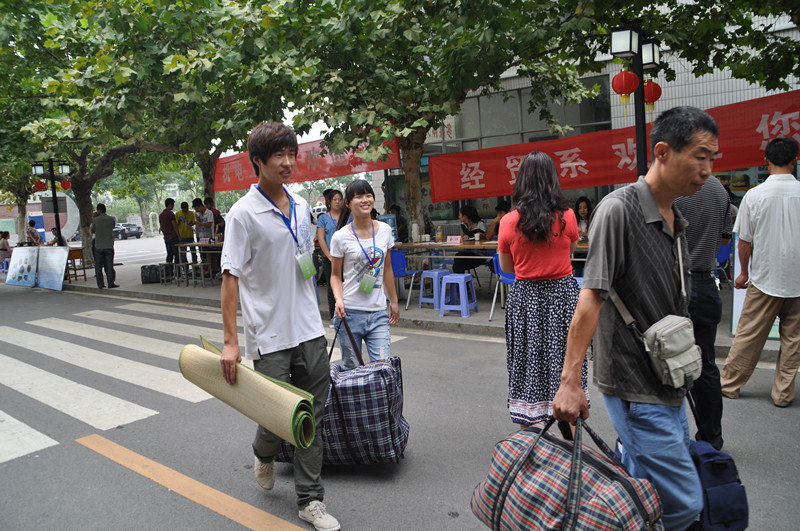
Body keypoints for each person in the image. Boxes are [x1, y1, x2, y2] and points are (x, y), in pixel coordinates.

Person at [553, 106, 720, 530]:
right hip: (634, 384)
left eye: (712, 159)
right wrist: (570, 382)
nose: (707, 169)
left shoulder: (675, 218)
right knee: (684, 503)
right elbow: (590, 299)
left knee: (644, 489)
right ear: (663, 152)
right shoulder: (619, 210)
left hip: (669, 380)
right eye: (700, 156)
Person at [218, 122, 339, 531]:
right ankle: (263, 449)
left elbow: (304, 257)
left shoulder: (302, 206)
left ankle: (310, 500)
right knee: (276, 415)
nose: (287, 163)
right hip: (268, 334)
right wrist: (230, 342)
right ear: (258, 161)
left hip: (308, 327)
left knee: (311, 416)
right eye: (278, 156)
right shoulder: (242, 214)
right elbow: (230, 278)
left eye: (292, 154)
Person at [497, 152, 584, 426]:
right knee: (566, 364)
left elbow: (507, 268)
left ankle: (531, 438)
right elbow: (571, 252)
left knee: (528, 366)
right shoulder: (568, 216)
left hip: (526, 299)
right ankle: (571, 439)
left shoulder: (508, 221)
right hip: (563, 297)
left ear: (521, 180)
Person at [720, 137, 800, 408]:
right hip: (798, 280)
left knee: (749, 336)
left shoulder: (754, 196)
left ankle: (730, 385)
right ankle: (783, 394)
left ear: (766, 161)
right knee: (793, 340)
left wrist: (743, 273)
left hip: (765, 277)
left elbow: (744, 241)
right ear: (794, 161)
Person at [675, 176, 732, 450]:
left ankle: (670, 440)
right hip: (706, 282)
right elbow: (725, 238)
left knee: (665, 363)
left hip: (674, 283)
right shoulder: (719, 190)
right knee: (706, 365)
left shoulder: (673, 187)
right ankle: (711, 439)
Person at [329, 179, 400, 370]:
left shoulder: (385, 230)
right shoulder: (340, 237)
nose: (365, 200)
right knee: (353, 371)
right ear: (348, 203)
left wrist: (393, 301)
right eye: (359, 197)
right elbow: (335, 275)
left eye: (368, 195)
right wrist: (338, 300)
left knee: (383, 369)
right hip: (349, 313)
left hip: (378, 312)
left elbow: (387, 269)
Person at [316, 189, 343, 323]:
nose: (338, 202)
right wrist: (330, 256)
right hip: (330, 258)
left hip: (345, 258)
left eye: (340, 199)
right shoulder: (323, 218)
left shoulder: (347, 216)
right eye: (335, 200)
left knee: (347, 286)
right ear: (330, 202)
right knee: (333, 288)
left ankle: (348, 315)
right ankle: (334, 317)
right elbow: (321, 239)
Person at [452, 205, 488, 274]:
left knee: (458, 262)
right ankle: (462, 279)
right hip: (467, 252)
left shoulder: (480, 224)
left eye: (460, 214)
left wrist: (480, 235)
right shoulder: (464, 226)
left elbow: (486, 237)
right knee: (458, 259)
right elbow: (461, 239)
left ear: (465, 216)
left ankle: (460, 279)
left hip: (479, 254)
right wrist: (464, 237)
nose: (459, 217)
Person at [90, 203, 118, 289]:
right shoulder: (111, 219)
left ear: (99, 210)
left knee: (98, 266)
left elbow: (92, 231)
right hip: (109, 245)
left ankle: (100, 284)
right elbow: (112, 227)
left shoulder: (95, 220)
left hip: (98, 245)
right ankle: (110, 282)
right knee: (109, 265)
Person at [158, 198, 180, 264]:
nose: (173, 206)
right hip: (173, 236)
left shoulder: (161, 215)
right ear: (170, 205)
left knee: (169, 254)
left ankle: (169, 269)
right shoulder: (170, 213)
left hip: (166, 237)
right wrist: (179, 236)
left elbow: (162, 226)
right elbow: (174, 226)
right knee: (176, 254)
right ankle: (177, 269)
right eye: (173, 205)